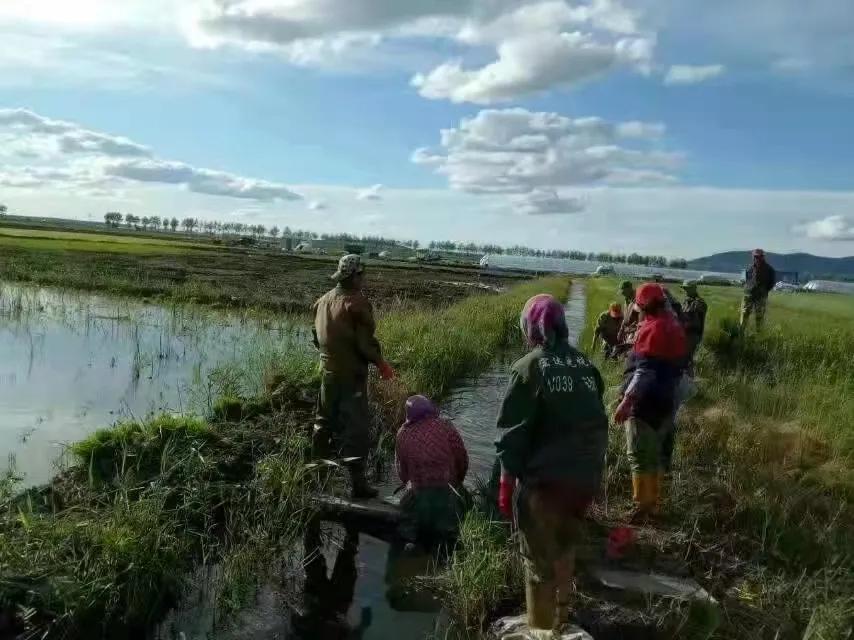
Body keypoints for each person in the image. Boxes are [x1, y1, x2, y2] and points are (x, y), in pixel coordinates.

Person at [495, 294, 609, 631]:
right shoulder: (585, 365)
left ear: (531, 327)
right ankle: (560, 619)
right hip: (585, 479)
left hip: (547, 485)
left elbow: (512, 436)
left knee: (537, 564)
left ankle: (540, 632)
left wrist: (505, 485)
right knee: (565, 544)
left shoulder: (528, 367)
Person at [312, 254, 396, 499]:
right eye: (362, 275)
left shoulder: (322, 301)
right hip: (351, 377)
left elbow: (316, 339)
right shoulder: (357, 303)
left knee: (323, 422)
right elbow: (365, 345)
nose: (363, 280)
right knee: (356, 428)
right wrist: (382, 364)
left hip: (327, 374)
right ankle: (358, 485)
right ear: (355, 276)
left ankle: (317, 477)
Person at [613, 283, 687, 521]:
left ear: (644, 306)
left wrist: (626, 401)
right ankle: (654, 505)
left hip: (644, 403)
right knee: (655, 456)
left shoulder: (653, 329)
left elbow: (644, 371)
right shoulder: (673, 325)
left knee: (638, 455)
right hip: (667, 401)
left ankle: (640, 506)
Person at [395, 395, 469, 547]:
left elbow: (402, 471)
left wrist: (411, 483)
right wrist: (458, 481)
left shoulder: (402, 433)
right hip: (447, 491)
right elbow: (462, 458)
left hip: (419, 492)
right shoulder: (445, 425)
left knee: (407, 524)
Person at [740, 248, 776, 331]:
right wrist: (747, 289)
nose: (757, 258)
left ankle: (758, 334)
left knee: (759, 316)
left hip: (761, 296)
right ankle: (741, 332)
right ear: (753, 257)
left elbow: (771, 283)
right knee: (744, 314)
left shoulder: (769, 269)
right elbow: (747, 280)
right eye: (755, 256)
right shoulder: (750, 268)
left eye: (760, 256)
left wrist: (763, 290)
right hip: (748, 295)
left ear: (763, 257)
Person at [680, 280, 708, 365]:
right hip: (684, 333)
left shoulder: (699, 303)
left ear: (694, 288)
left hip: (692, 334)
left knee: (687, 357)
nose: (686, 290)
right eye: (685, 288)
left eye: (687, 288)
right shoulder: (686, 301)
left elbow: (699, 319)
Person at [617, 281, 641, 346]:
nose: (622, 293)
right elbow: (625, 318)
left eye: (623, 291)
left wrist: (632, 329)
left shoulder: (638, 300)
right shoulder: (627, 300)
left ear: (629, 288)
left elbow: (642, 320)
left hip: (636, 333)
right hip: (628, 332)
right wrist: (621, 330)